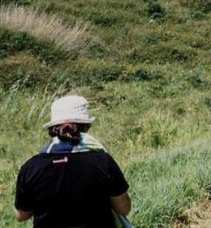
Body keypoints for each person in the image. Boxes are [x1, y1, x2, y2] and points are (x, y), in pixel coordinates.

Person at [14, 94, 133, 227]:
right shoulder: (103, 161)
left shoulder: (32, 167)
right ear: (86, 126)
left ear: (53, 129)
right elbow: (123, 209)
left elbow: (21, 216)